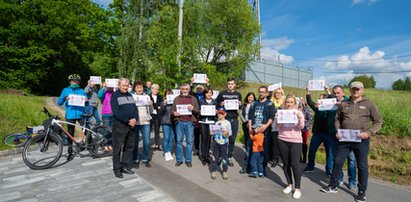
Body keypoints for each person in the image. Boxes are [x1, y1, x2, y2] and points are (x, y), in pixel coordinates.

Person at [321, 81, 382, 202]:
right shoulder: (344, 104)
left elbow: (378, 121)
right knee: (337, 161)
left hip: (361, 140)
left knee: (362, 166)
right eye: (353, 89)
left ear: (362, 90)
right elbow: (337, 119)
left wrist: (368, 133)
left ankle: (361, 192)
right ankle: (333, 185)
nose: (356, 91)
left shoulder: (369, 104)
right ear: (350, 90)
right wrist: (338, 130)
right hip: (344, 140)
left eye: (358, 89)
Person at [327, 85, 357, 190]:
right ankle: (339, 178)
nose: (336, 95)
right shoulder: (330, 103)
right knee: (336, 159)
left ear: (343, 93)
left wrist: (342, 104)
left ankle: (352, 180)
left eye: (338, 93)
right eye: (334, 93)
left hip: (347, 135)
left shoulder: (349, 102)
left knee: (351, 159)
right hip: (333, 134)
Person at [276, 95, 305, 199]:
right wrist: (277, 119)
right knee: (286, 164)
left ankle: (297, 188)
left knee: (295, 164)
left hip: (295, 141)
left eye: (291, 102)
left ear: (294, 103)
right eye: (287, 102)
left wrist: (299, 118)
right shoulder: (281, 112)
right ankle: (289, 184)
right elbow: (278, 126)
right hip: (282, 139)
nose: (289, 104)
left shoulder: (298, 112)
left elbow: (301, 127)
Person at [110, 78, 138, 178]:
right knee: (117, 148)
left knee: (129, 147)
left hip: (132, 126)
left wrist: (135, 119)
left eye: (127, 86)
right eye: (123, 86)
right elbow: (116, 112)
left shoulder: (130, 95)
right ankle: (117, 169)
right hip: (120, 126)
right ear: (119, 85)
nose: (125, 87)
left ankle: (125, 166)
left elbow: (135, 109)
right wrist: (127, 120)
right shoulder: (115, 96)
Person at [57, 74, 88, 161]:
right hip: (70, 115)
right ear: (70, 81)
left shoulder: (81, 91)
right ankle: (70, 152)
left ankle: (92, 146)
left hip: (81, 114)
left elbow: (87, 104)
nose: (75, 82)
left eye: (76, 81)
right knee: (70, 134)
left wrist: (86, 101)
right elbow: (59, 103)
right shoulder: (65, 90)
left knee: (86, 130)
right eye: (73, 81)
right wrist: (64, 98)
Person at [248, 86, 275, 174]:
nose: (261, 93)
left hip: (265, 132)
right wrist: (250, 128)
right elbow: (250, 117)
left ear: (266, 93)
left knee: (264, 151)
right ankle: (252, 169)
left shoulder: (270, 104)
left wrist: (265, 126)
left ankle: (262, 169)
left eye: (263, 92)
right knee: (252, 150)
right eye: (260, 92)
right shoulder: (254, 103)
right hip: (254, 131)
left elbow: (272, 117)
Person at [303, 88, 332, 173]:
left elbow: (333, 99)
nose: (320, 100)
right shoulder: (317, 108)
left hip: (328, 134)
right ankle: (310, 166)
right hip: (317, 134)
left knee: (329, 154)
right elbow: (309, 102)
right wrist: (308, 91)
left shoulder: (332, 108)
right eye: (319, 99)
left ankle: (329, 169)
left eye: (322, 98)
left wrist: (328, 91)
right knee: (312, 150)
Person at [216, 78, 242, 167]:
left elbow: (241, 107)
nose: (230, 85)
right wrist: (220, 104)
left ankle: (229, 156)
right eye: (229, 84)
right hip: (223, 119)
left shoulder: (238, 94)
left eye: (232, 84)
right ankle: (220, 156)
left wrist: (240, 104)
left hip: (234, 119)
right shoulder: (222, 94)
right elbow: (216, 103)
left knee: (232, 138)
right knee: (221, 137)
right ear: (227, 85)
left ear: (235, 85)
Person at [172, 83, 200, 167]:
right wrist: (174, 113)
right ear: (180, 90)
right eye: (183, 89)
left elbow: (197, 110)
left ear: (189, 90)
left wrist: (193, 109)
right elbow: (172, 109)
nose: (184, 90)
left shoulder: (193, 99)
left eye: (186, 89)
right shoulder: (176, 99)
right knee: (179, 141)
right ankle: (179, 160)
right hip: (179, 122)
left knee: (189, 141)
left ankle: (188, 160)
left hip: (189, 122)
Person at [131, 81, 153, 168]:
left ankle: (145, 159)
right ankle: (135, 159)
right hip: (135, 122)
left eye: (141, 87)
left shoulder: (147, 96)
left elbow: (151, 111)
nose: (139, 89)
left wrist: (151, 104)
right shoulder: (131, 96)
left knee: (147, 142)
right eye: (137, 87)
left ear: (143, 88)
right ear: (134, 88)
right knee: (135, 142)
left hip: (145, 121)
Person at [210, 110, 232, 180]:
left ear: (225, 114)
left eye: (221, 114)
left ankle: (224, 171)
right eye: (218, 114)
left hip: (224, 142)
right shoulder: (217, 122)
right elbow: (214, 132)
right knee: (214, 157)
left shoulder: (227, 123)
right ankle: (213, 170)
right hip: (216, 141)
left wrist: (227, 132)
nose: (219, 115)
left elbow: (230, 133)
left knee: (224, 157)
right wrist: (211, 132)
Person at [198, 87, 217, 165]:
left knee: (209, 139)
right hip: (203, 122)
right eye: (207, 93)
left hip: (211, 122)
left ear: (212, 94)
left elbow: (218, 113)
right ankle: (204, 157)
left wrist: (216, 112)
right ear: (204, 94)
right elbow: (198, 111)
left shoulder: (215, 102)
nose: (209, 94)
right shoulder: (201, 101)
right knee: (204, 139)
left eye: (210, 93)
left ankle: (207, 156)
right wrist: (199, 111)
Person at [239, 92, 256, 174]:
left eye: (252, 97)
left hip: (253, 126)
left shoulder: (256, 105)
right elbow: (241, 114)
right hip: (245, 125)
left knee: (251, 143)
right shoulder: (244, 105)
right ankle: (247, 157)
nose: (250, 98)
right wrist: (245, 122)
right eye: (249, 97)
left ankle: (251, 161)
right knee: (247, 142)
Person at [269, 87, 285, 167]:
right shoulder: (271, 102)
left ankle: (283, 159)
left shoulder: (285, 102)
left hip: (283, 126)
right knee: (274, 143)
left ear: (282, 94)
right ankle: (275, 159)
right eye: (276, 92)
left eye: (280, 93)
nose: (278, 94)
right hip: (274, 125)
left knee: (282, 143)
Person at [98, 82, 115, 151]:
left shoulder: (114, 92)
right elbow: (99, 95)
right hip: (106, 114)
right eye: (109, 86)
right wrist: (104, 87)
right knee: (106, 130)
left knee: (112, 130)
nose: (110, 87)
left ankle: (110, 144)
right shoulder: (105, 92)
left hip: (114, 114)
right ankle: (105, 144)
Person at [160, 89, 175, 161]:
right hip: (165, 121)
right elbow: (161, 112)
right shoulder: (163, 103)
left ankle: (169, 151)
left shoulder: (174, 102)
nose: (169, 96)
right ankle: (166, 152)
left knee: (171, 138)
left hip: (173, 121)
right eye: (168, 94)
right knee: (166, 137)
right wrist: (164, 104)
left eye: (171, 94)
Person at [150, 84, 163, 151]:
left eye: (157, 89)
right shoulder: (148, 96)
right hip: (150, 115)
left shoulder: (160, 97)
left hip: (157, 115)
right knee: (148, 130)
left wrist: (154, 105)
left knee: (157, 130)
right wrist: (157, 106)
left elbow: (161, 105)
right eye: (154, 89)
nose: (156, 90)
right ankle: (147, 144)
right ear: (151, 89)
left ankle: (157, 144)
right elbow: (156, 106)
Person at [299, 98, 312, 163]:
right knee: (298, 143)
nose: (301, 102)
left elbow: (310, 119)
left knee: (304, 142)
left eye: (302, 100)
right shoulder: (295, 109)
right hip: (296, 129)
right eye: (299, 101)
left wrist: (305, 125)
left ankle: (304, 157)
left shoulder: (307, 109)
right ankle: (299, 157)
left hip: (304, 129)